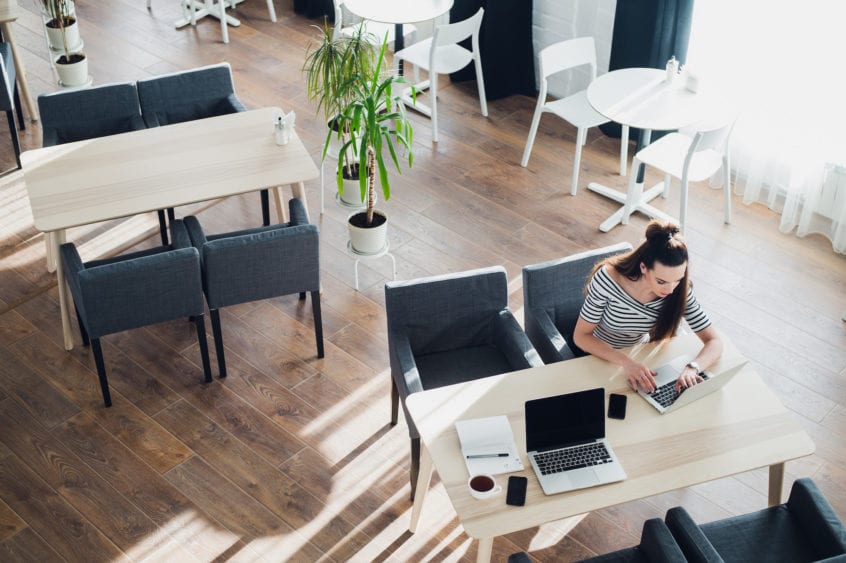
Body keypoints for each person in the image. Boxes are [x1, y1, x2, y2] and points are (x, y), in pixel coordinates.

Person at [573, 220, 723, 393]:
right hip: (599, 353)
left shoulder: (679, 291)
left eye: (678, 279)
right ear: (643, 267)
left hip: (639, 355)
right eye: (661, 281)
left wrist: (693, 368)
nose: (670, 289)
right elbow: (581, 336)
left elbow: (715, 341)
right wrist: (626, 362)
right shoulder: (608, 280)